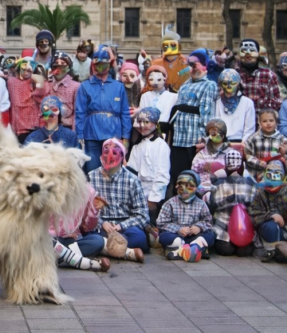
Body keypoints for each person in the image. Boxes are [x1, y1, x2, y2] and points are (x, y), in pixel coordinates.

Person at [88, 139, 147, 263]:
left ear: (122, 156)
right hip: (101, 226)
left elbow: (142, 214)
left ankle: (108, 248)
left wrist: (121, 226)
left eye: (114, 152)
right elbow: (84, 210)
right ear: (100, 155)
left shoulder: (133, 180)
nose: (109, 156)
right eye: (106, 151)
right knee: (93, 239)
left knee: (139, 237)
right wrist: (101, 223)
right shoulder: (91, 177)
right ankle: (127, 252)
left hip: (125, 225)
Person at [75, 48, 131, 173]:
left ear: (109, 65)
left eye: (104, 64)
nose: (100, 67)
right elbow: (80, 113)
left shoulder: (119, 86)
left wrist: (126, 137)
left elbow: (125, 113)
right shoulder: (85, 86)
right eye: (97, 64)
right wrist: (79, 136)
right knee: (92, 171)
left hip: (114, 134)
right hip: (91, 135)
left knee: (113, 170)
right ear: (93, 65)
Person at [169, 49, 218, 189]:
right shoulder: (184, 85)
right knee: (177, 176)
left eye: (198, 64)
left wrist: (204, 138)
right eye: (191, 65)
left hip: (194, 140)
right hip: (178, 139)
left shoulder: (209, 85)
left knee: (194, 178)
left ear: (205, 65)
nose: (194, 68)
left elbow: (207, 112)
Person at [127, 107, 169, 244]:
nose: (143, 126)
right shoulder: (137, 145)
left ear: (155, 124)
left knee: (152, 222)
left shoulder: (161, 145)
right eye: (141, 122)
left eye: (147, 122)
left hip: (153, 191)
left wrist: (154, 197)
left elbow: (162, 173)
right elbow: (132, 171)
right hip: (139, 189)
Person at [50, 181, 110, 272]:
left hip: (74, 239)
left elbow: (88, 227)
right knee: (47, 241)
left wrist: (94, 209)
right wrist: (61, 233)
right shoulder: (49, 188)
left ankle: (59, 257)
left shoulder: (86, 191)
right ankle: (73, 259)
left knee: (98, 241)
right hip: (52, 238)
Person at [157, 170, 215, 262]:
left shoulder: (201, 204)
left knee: (210, 235)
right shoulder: (170, 203)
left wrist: (199, 227)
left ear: (196, 187)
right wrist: (178, 229)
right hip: (176, 236)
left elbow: (208, 221)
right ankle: (195, 250)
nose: (184, 190)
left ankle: (182, 250)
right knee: (164, 236)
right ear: (177, 186)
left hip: (194, 236)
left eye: (190, 186)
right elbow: (161, 222)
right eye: (181, 186)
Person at [207, 174, 255, 257]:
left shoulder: (250, 183)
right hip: (223, 227)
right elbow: (212, 205)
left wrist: (248, 205)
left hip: (245, 227)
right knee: (226, 249)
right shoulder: (218, 183)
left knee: (243, 251)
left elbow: (255, 206)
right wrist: (226, 201)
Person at [190, 119, 243, 194]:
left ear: (224, 134)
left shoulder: (231, 153)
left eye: (220, 132)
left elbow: (237, 173)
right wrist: (203, 166)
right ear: (208, 134)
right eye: (213, 132)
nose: (217, 134)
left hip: (225, 190)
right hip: (203, 190)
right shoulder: (202, 154)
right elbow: (193, 171)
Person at [243, 109, 287, 181]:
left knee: (277, 181)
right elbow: (248, 155)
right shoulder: (253, 139)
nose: (268, 123)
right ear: (259, 122)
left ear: (276, 122)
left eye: (271, 121)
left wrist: (284, 154)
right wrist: (259, 163)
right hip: (259, 172)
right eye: (264, 121)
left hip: (278, 171)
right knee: (265, 182)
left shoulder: (282, 139)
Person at [233, 39, 281, 111]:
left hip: (261, 120)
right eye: (243, 50)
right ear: (239, 54)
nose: (248, 53)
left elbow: (276, 103)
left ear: (258, 53)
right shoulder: (232, 75)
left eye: (252, 50)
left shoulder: (269, 76)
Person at [7, 58, 46, 143]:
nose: (26, 72)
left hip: (33, 127)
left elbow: (41, 85)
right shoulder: (11, 81)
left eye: (29, 69)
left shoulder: (33, 81)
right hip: (18, 128)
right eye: (23, 69)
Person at [214, 69, 256, 143]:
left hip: (241, 142)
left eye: (233, 83)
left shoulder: (247, 102)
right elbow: (214, 124)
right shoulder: (217, 102)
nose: (229, 86)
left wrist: (243, 144)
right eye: (225, 83)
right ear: (220, 84)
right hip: (220, 141)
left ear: (239, 84)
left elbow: (249, 129)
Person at [149, 27, 190, 92]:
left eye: (173, 45)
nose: (169, 49)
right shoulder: (156, 63)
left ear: (178, 46)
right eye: (166, 46)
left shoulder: (186, 64)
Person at [48, 51, 80, 129]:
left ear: (68, 67)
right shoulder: (47, 85)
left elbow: (77, 112)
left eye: (63, 63)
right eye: (56, 63)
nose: (59, 66)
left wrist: (74, 132)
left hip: (67, 127)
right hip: (49, 126)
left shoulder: (76, 86)